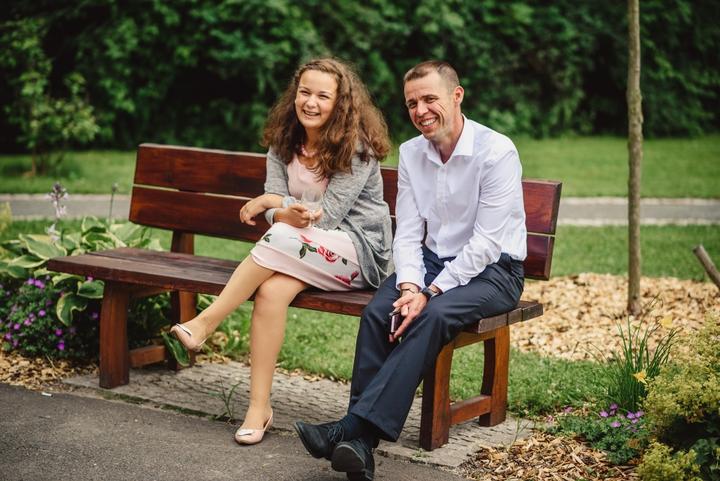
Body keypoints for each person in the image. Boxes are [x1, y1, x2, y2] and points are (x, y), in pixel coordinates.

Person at [294, 60, 527, 481]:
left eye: (430, 99)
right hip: (433, 263)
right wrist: (408, 286)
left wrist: (429, 293)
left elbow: (486, 244)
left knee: (432, 316)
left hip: (495, 271)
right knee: (377, 312)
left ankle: (349, 429)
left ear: (457, 96)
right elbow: (408, 233)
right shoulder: (412, 152)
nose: (421, 111)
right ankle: (359, 446)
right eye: (412, 103)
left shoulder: (496, 152)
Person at [170, 58, 392, 446]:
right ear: (294, 95)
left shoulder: (356, 148)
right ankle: (259, 408)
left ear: (340, 102)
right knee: (271, 291)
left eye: (323, 96)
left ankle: (206, 323)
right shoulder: (284, 141)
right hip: (301, 247)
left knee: (283, 237)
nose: (311, 102)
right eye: (304, 92)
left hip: (359, 253)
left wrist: (272, 204)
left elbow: (326, 217)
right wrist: (277, 209)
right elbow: (279, 215)